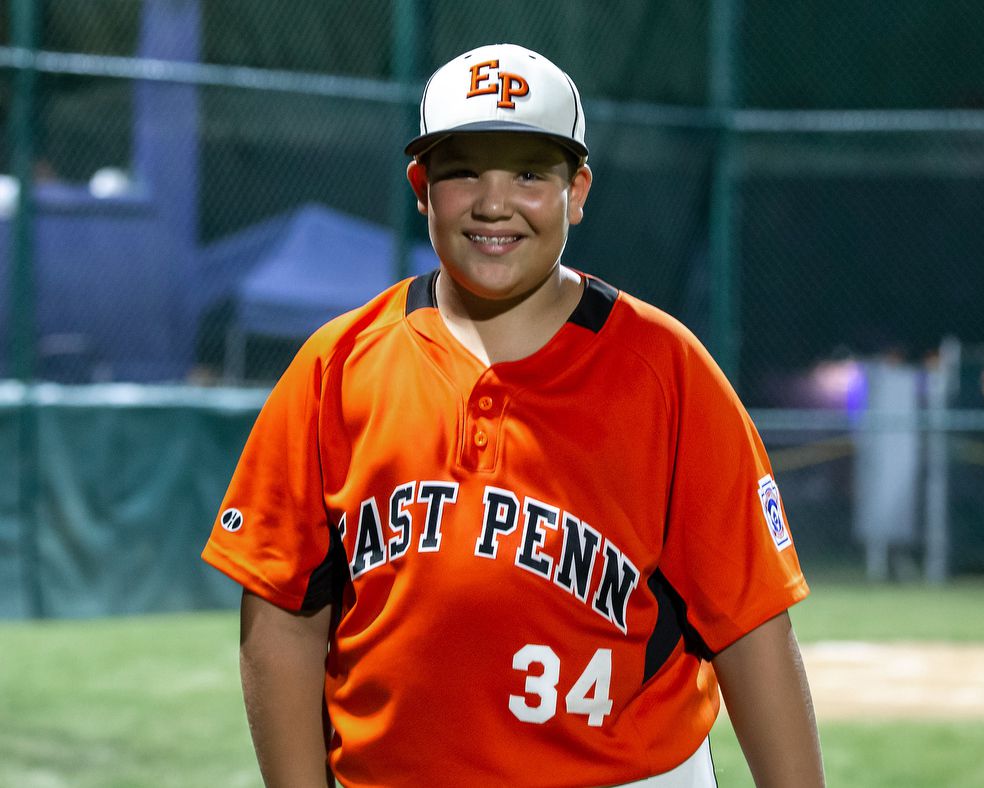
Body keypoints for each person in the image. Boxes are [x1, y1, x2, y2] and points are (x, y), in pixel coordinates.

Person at [202, 43, 825, 788]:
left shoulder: (666, 372)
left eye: (530, 173)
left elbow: (751, 625)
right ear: (421, 186)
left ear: (578, 189)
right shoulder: (338, 367)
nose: (494, 203)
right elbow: (281, 610)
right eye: (463, 169)